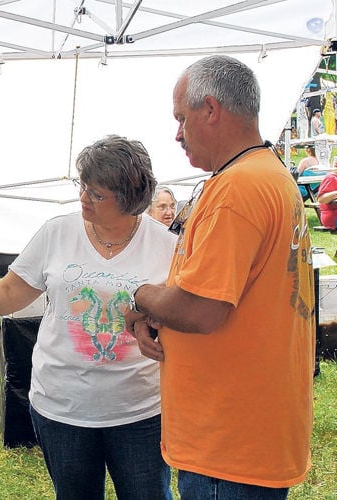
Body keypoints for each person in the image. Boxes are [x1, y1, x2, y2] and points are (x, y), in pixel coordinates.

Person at [0, 134, 176, 500]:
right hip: (63, 408)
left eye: (97, 194)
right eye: (82, 185)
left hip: (139, 412)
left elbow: (183, 315)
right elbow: (8, 293)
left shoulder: (167, 245)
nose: (83, 198)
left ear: (131, 198)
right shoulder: (58, 233)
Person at [125, 55, 315, 499]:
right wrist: (156, 311)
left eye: (181, 119)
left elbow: (202, 310)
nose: (177, 134)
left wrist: (143, 295)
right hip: (253, 430)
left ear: (210, 110)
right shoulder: (270, 175)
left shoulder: (237, 189)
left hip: (229, 444)